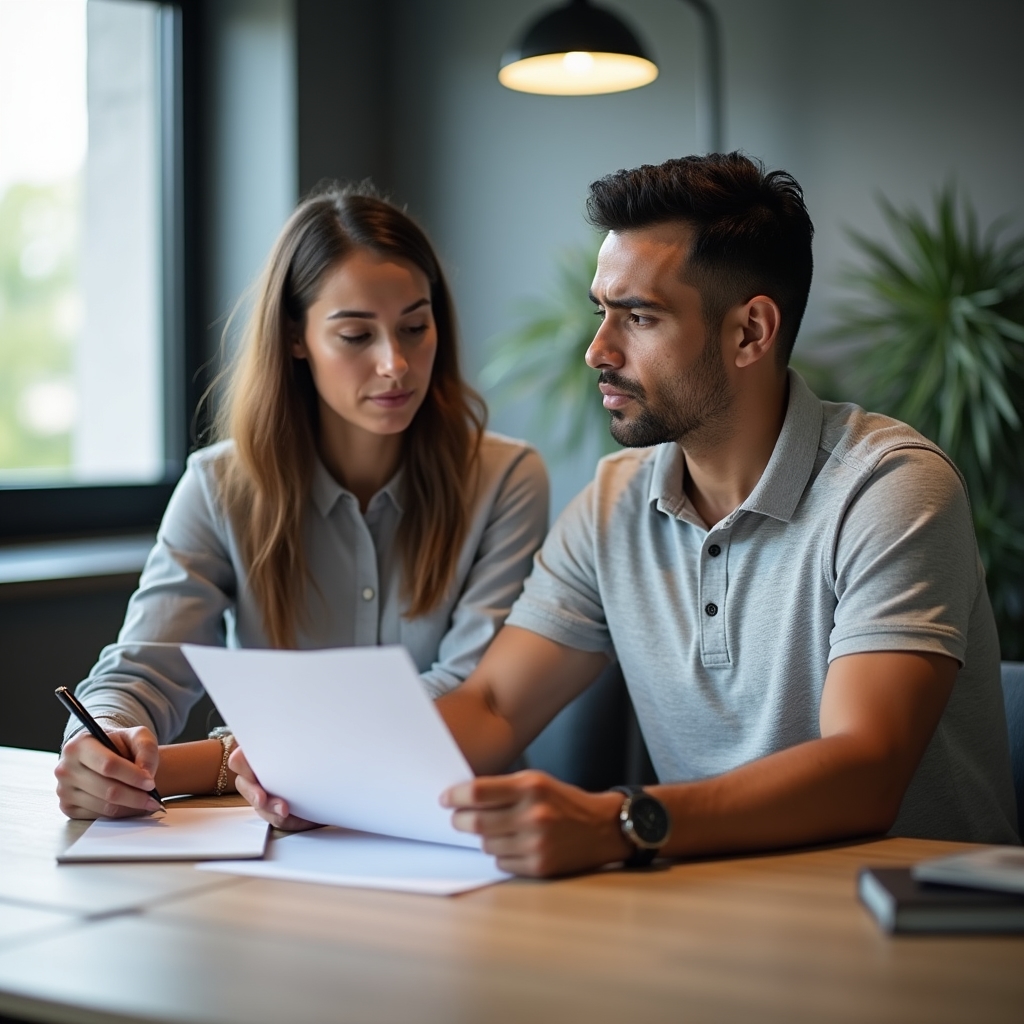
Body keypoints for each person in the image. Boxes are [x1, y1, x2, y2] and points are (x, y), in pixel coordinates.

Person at [235, 153, 1019, 870]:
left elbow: (864, 768)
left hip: (918, 933)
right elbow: (494, 704)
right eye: (601, 310)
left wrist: (620, 822)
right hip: (713, 921)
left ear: (750, 331)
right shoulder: (614, 502)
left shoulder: (888, 489)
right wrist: (319, 777)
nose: (597, 349)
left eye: (638, 317)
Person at [55, 183, 548, 819]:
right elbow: (143, 669)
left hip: (458, 823)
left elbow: (466, 695)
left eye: (415, 327)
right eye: (355, 335)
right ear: (296, 337)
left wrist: (203, 764)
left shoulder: (506, 479)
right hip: (279, 835)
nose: (395, 364)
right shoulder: (219, 485)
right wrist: (98, 747)